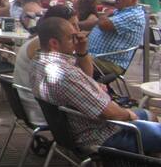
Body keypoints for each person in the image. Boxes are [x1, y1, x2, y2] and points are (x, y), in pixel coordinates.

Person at [30, 17, 161, 155]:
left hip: (72, 132)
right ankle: (138, 165)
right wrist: (129, 114)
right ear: (54, 43)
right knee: (146, 118)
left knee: (148, 116)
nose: (77, 40)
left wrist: (82, 51)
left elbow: (88, 75)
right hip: (100, 136)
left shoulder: (38, 62)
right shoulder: (65, 74)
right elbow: (109, 113)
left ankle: (143, 164)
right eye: (72, 38)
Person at [13, 5, 85, 127]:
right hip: (44, 114)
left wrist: (82, 51)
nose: (78, 30)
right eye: (73, 25)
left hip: (29, 107)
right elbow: (83, 78)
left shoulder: (40, 41)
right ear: (57, 26)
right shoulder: (45, 49)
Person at [87, 0, 145, 76]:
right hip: (97, 56)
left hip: (110, 62)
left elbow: (103, 24)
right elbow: (96, 23)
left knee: (71, 61)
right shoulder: (122, 10)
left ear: (133, 0)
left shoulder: (133, 15)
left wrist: (106, 14)